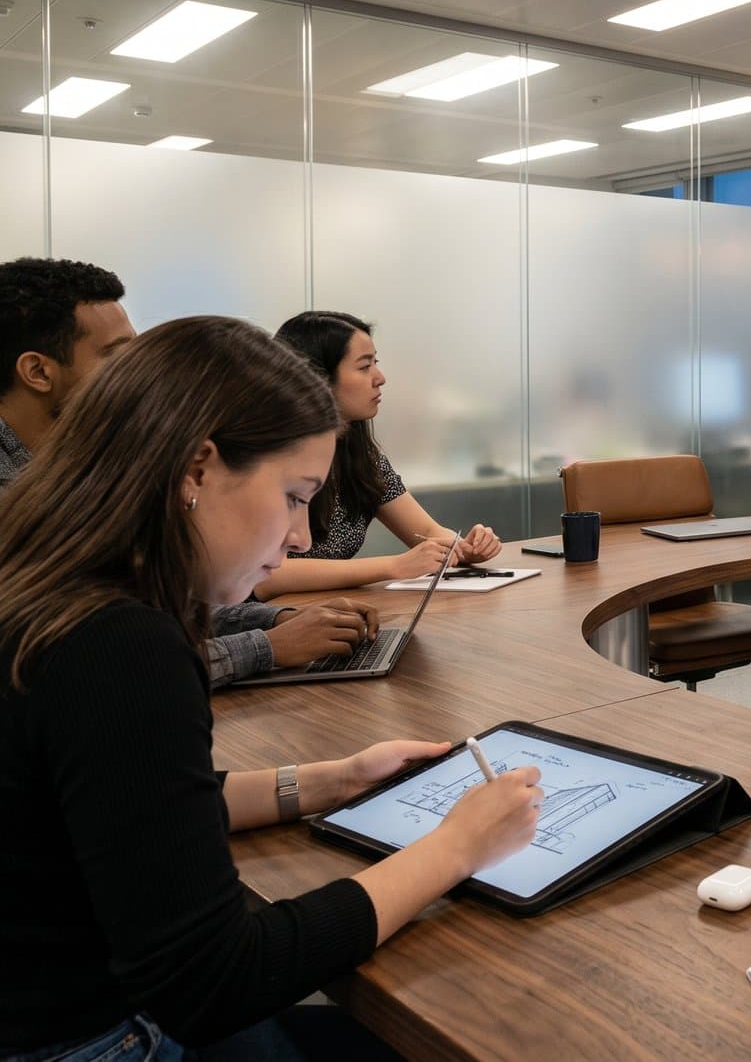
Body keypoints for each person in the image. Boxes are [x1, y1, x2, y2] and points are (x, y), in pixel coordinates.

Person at [0, 316, 543, 1060]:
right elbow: (214, 977)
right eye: (293, 495)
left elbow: (129, 804)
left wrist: (331, 779)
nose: (301, 536)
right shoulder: (120, 644)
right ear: (196, 470)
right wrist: (456, 847)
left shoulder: (44, 585)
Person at [0, 257, 380, 688]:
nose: (139, 375)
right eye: (117, 357)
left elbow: (161, 608)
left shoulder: (74, 475)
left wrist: (278, 619)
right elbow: (115, 663)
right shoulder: (46, 498)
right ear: (37, 372)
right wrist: (266, 645)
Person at [252, 311, 502, 598]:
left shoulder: (360, 455)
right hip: (265, 621)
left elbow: (426, 531)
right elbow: (268, 575)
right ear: (316, 377)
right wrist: (394, 566)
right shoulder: (269, 455)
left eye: (376, 364)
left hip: (328, 611)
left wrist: (466, 548)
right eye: (364, 367)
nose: (380, 378)